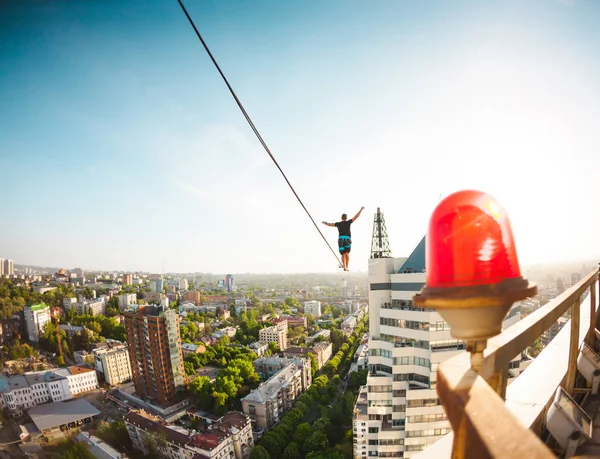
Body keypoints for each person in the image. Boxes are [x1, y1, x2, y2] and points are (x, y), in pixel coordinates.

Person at [322, 207, 364, 271]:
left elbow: (330, 224)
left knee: (343, 254)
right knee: (347, 253)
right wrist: (361, 210)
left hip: (341, 240)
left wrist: (325, 223)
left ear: (341, 218)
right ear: (346, 218)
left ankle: (344, 266)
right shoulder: (348, 222)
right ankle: (346, 266)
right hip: (347, 240)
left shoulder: (338, 224)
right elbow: (356, 217)